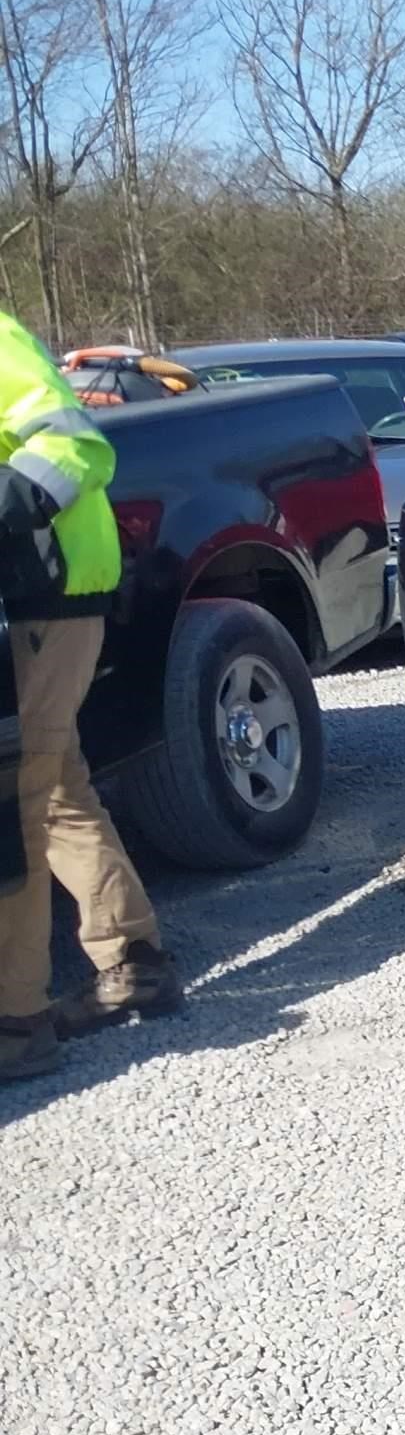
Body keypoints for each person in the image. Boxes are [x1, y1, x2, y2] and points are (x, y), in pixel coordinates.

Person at [0, 306, 178, 1081]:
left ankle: (17, 1020)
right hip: (51, 592)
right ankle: (132, 960)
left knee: (18, 799)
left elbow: (74, 441)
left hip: (43, 594)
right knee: (59, 787)